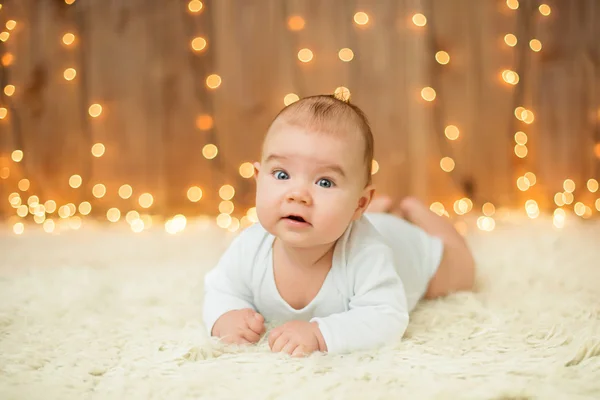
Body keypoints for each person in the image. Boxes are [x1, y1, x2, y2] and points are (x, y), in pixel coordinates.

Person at [202, 94, 475, 357]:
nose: (297, 194)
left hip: (409, 247)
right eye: (282, 174)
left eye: (325, 182)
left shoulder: (366, 254)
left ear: (359, 203)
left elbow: (386, 317)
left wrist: (321, 335)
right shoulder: (251, 246)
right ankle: (384, 210)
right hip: (370, 222)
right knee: (378, 222)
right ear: (259, 178)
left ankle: (417, 211)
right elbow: (222, 289)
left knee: (461, 274)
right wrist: (226, 316)